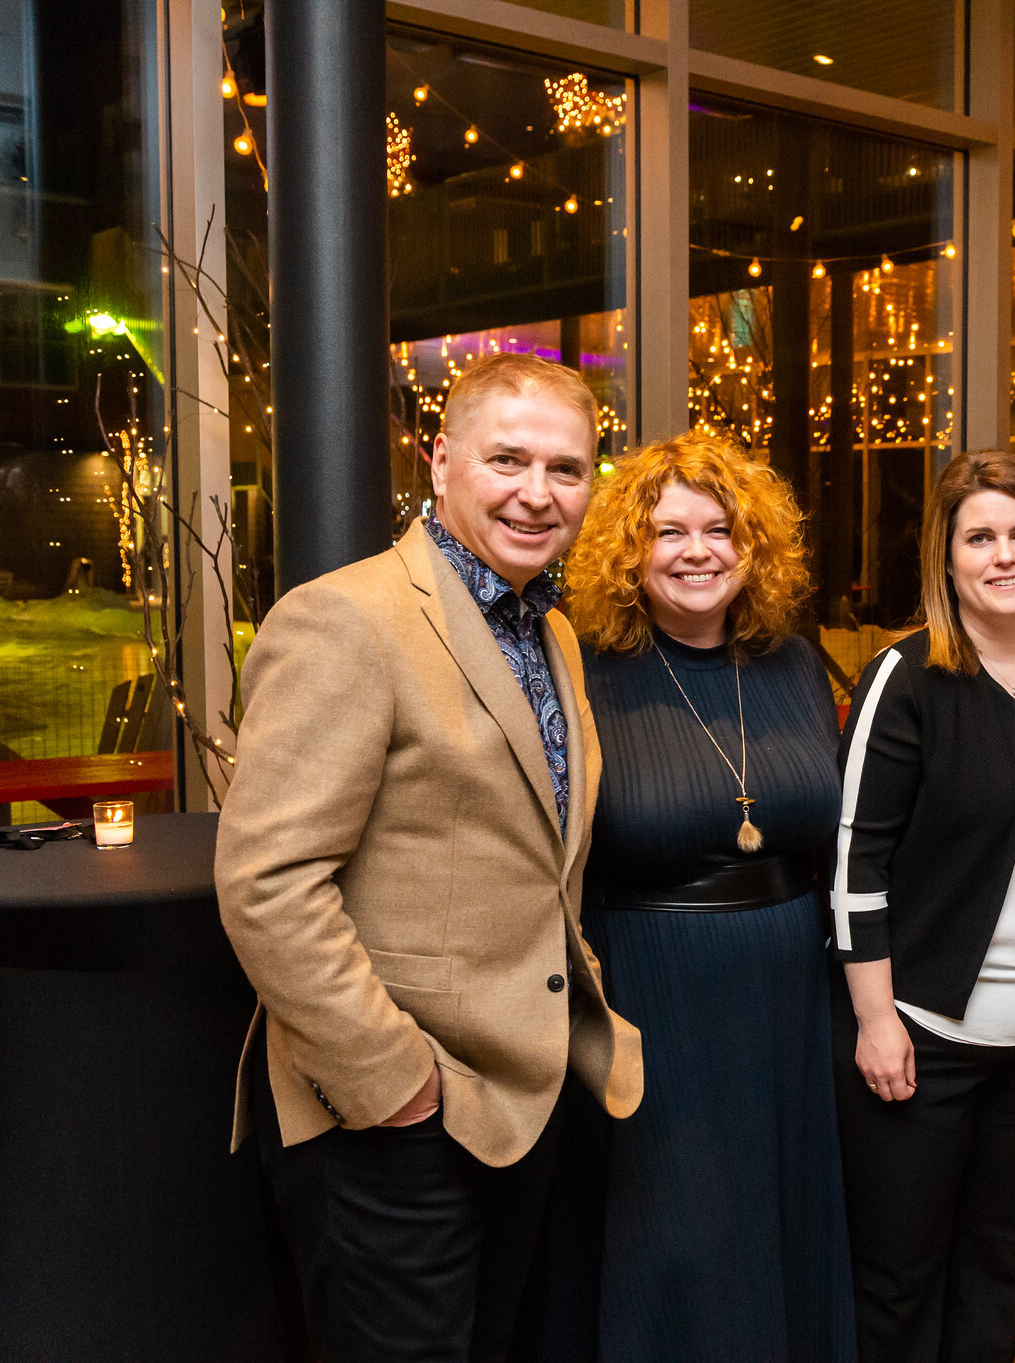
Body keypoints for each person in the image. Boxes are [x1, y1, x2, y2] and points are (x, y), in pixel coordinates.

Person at [215, 352, 643, 1363]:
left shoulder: (554, 633)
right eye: (508, 460)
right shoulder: (347, 618)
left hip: (517, 1096)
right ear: (439, 460)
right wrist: (396, 1084)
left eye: (567, 469)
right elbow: (269, 883)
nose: (538, 495)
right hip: (392, 1116)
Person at [545, 431, 854, 1361]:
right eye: (667, 530)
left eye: (719, 529)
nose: (696, 551)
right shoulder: (582, 671)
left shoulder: (796, 664)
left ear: (753, 544)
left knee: (781, 1221)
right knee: (676, 1236)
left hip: (791, 998)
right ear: (627, 550)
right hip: (649, 994)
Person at [832, 449, 1015, 1363]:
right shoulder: (909, 675)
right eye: (980, 537)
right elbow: (854, 861)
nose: (1004, 555)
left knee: (1002, 1271)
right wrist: (876, 1018)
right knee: (898, 1281)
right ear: (947, 557)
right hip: (925, 1037)